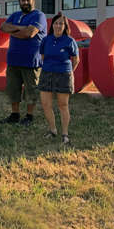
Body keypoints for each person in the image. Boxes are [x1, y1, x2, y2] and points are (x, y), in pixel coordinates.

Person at [0, 0, 47, 127]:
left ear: (33, 1)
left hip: (31, 61)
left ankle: (29, 117)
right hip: (13, 60)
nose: (25, 2)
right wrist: (20, 28)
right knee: (13, 89)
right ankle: (14, 115)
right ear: (19, 2)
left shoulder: (39, 15)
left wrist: (13, 31)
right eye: (22, 0)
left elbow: (30, 33)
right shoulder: (15, 15)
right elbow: (3, 27)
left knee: (30, 90)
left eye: (27, 0)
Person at [38, 14, 79, 144]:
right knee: (46, 105)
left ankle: (65, 133)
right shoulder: (46, 40)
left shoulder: (69, 41)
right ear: (52, 25)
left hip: (63, 75)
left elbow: (76, 59)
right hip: (46, 74)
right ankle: (52, 129)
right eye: (56, 23)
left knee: (63, 105)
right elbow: (43, 57)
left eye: (61, 23)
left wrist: (69, 72)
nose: (58, 26)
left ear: (65, 26)